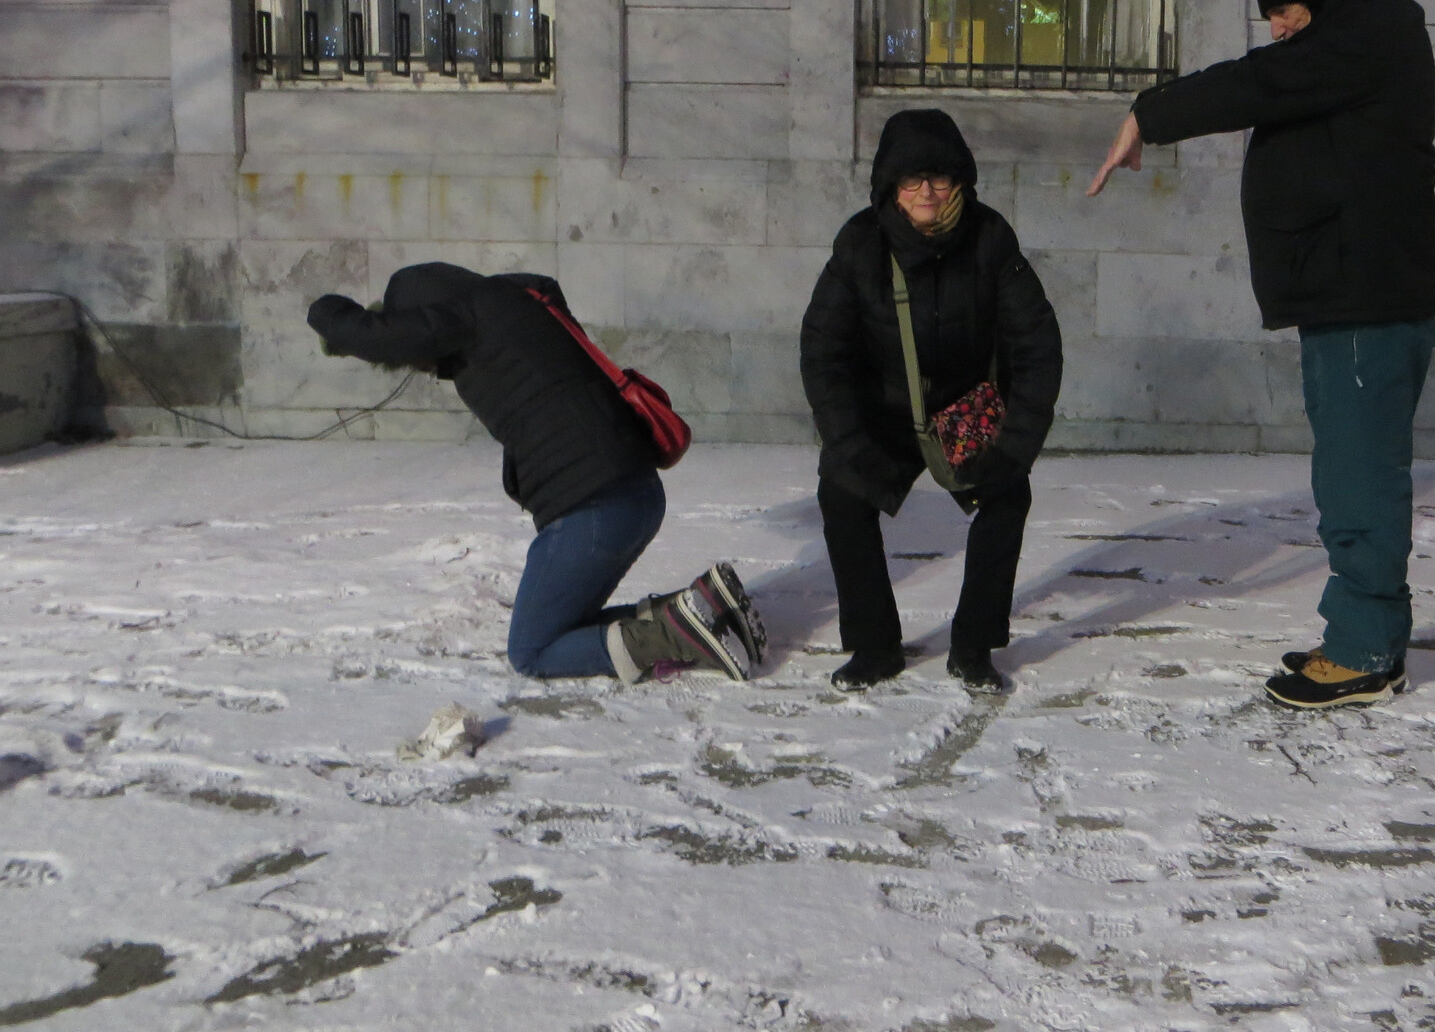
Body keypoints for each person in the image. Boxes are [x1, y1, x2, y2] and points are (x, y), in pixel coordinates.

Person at [1088, 0, 1435, 710]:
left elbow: (1260, 83)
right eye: (1270, 15)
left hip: (1366, 300)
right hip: (1346, 297)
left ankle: (1364, 650)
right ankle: (1367, 636)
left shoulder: (1376, 31)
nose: (1277, 28)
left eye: (1284, 8)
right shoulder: (1349, 48)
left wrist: (1149, 114)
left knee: (1358, 481)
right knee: (1348, 474)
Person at [306, 263, 764, 685]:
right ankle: (704, 610)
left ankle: (673, 636)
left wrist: (324, 313)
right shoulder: (521, 305)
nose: (426, 365)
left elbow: (375, 336)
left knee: (533, 650)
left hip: (592, 507)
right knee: (565, 626)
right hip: (636, 492)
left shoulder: (468, 312)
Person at [799, 109, 1063, 693]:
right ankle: (875, 646)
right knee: (841, 493)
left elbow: (1037, 344)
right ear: (889, 186)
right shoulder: (859, 244)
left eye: (939, 178)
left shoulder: (990, 238)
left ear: (959, 182)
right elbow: (823, 351)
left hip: (965, 412)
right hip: (885, 411)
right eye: (911, 179)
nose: (926, 192)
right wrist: (847, 441)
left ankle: (973, 646)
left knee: (1007, 495)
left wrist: (1013, 445)